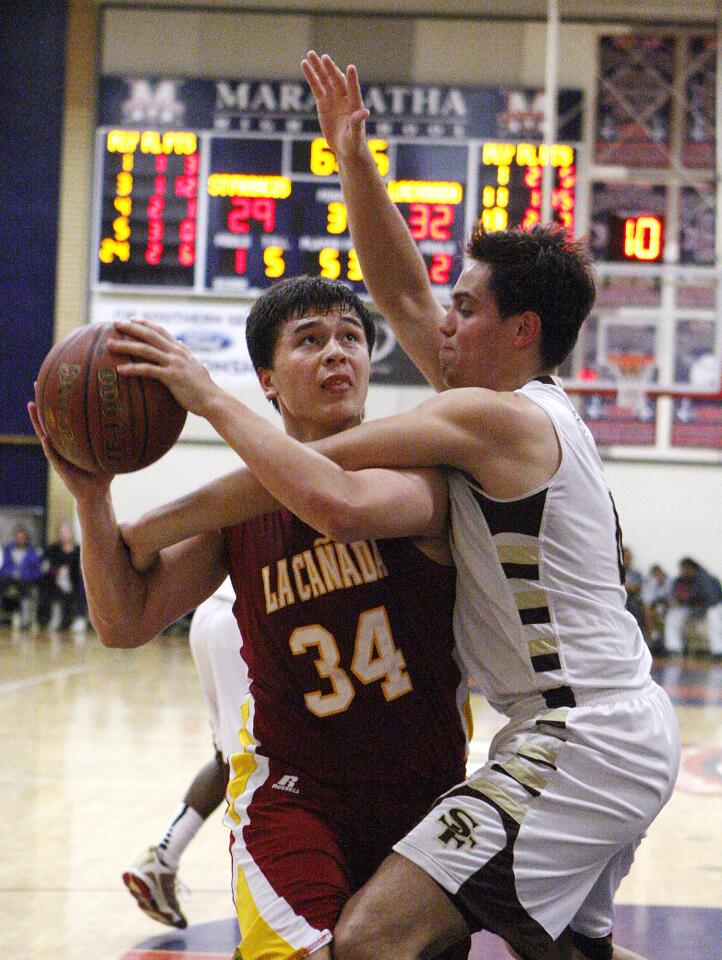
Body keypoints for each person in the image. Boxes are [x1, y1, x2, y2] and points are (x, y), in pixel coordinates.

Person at [114, 52, 680, 960]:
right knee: (574, 954)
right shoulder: (503, 398)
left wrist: (208, 405)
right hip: (595, 729)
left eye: (465, 309)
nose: (439, 324)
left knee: (374, 938)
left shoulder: (492, 418)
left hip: (582, 734)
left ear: (521, 332)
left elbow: (323, 487)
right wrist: (353, 157)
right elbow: (401, 291)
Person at [29, 275, 470, 960]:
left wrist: (207, 400)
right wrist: (93, 500)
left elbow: (337, 505)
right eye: (310, 340)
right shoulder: (237, 517)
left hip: (425, 790)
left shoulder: (411, 469)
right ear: (267, 379)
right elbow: (123, 622)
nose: (336, 354)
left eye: (350, 338)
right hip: (294, 794)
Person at [123, 577, 246, 929]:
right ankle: (259, 893)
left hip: (210, 610)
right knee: (256, 767)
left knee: (228, 759)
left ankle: (162, 858)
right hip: (244, 611)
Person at [663, 557, 722, 659]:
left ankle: (718, 651)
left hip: (710, 606)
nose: (684, 571)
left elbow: (712, 598)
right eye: (683, 569)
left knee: (714, 616)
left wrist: (696, 607)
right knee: (673, 614)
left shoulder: (708, 579)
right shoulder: (680, 580)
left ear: (693, 568)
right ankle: (674, 648)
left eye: (686, 569)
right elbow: (679, 597)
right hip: (690, 607)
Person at [37, 520, 86, 631]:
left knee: (83, 587)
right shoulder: (52, 549)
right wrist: (57, 570)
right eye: (62, 533)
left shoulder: (78, 550)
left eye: (66, 532)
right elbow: (45, 566)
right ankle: (48, 618)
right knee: (44, 585)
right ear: (58, 534)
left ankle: (79, 618)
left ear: (71, 533)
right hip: (55, 581)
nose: (64, 535)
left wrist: (72, 571)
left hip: (74, 582)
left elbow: (82, 568)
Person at [0, 525, 43, 628]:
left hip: (25, 579)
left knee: (25, 587)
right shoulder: (7, 550)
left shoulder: (32, 552)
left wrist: (30, 576)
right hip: (9, 578)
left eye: (22, 537)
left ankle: (25, 620)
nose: (20, 539)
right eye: (18, 537)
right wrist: (9, 573)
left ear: (26, 538)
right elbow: (2, 567)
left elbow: (37, 570)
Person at [639, 564, 671, 653]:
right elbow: (647, 600)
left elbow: (671, 598)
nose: (657, 577)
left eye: (659, 574)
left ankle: (662, 641)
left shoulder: (669, 582)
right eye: (655, 575)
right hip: (653, 607)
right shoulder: (649, 583)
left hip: (667, 607)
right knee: (648, 611)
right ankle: (654, 637)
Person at [621, 548, 644, 633]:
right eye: (625, 557)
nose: (627, 559)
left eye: (628, 557)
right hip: (617, 598)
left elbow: (636, 588)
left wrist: (623, 586)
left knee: (634, 607)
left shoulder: (636, 574)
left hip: (631, 599)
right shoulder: (614, 572)